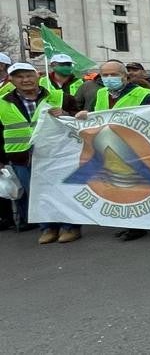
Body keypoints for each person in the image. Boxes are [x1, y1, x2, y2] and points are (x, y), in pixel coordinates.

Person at [73, 60, 150, 242]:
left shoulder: (144, 95)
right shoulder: (101, 94)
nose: (109, 79)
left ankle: (138, 226)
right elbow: (97, 116)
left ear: (125, 76)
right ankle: (127, 223)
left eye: (114, 75)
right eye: (105, 75)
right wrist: (85, 115)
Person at [1, 62, 71, 240]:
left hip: (54, 155)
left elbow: (79, 116)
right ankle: (47, 228)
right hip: (21, 157)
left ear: (38, 76)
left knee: (61, 191)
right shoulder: (2, 103)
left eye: (29, 75)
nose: (25, 80)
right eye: (19, 76)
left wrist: (65, 113)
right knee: (35, 194)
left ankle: (69, 227)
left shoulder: (58, 96)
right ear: (11, 80)